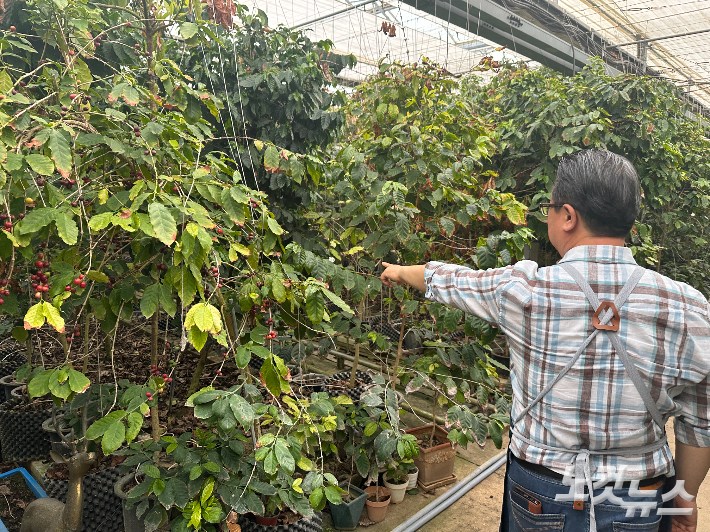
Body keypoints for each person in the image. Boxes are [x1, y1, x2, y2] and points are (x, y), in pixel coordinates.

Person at [380, 149, 710, 532]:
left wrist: (401, 271)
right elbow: (699, 421)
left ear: (568, 216)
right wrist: (685, 498)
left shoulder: (523, 290)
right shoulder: (690, 307)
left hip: (540, 490)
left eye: (549, 208)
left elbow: (451, 280)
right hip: (639, 492)